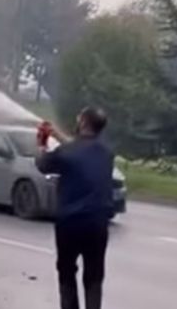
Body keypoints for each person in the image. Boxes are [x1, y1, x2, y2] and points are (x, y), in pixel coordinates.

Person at [36, 107, 115, 309]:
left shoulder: (67, 151)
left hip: (70, 223)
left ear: (84, 122)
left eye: (79, 118)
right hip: (98, 224)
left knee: (67, 271)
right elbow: (81, 150)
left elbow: (43, 165)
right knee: (94, 276)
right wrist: (57, 135)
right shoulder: (107, 152)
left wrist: (43, 143)